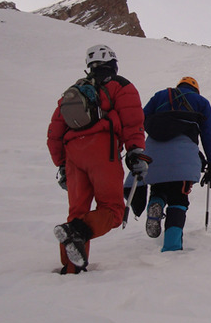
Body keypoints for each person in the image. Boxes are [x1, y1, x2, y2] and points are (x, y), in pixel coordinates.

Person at [47, 44, 148, 274]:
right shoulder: (120, 85)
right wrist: (135, 152)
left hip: (73, 155)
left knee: (77, 212)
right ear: (113, 62)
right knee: (112, 211)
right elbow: (132, 121)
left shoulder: (73, 91)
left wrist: (62, 164)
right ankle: (79, 233)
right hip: (103, 151)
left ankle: (72, 268)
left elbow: (54, 133)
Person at [124, 76, 211, 252]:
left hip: (153, 152)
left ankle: (157, 204)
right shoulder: (201, 102)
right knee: (178, 198)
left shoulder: (160, 96)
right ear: (196, 89)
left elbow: (140, 120)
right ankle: (172, 246)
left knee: (158, 187)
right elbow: (207, 135)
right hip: (183, 154)